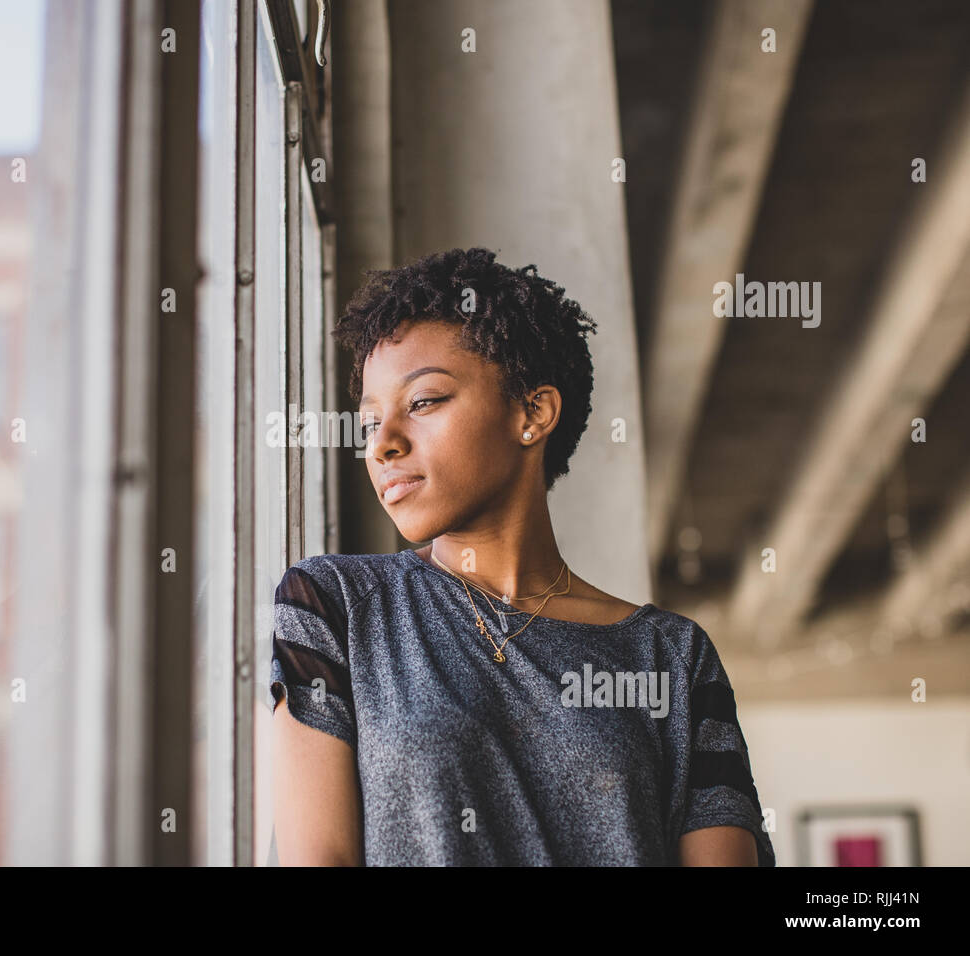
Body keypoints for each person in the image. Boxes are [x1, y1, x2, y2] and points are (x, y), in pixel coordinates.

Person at [269, 247, 775, 866]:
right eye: (371, 421)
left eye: (423, 402)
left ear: (533, 412)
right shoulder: (335, 606)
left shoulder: (670, 656)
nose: (383, 445)